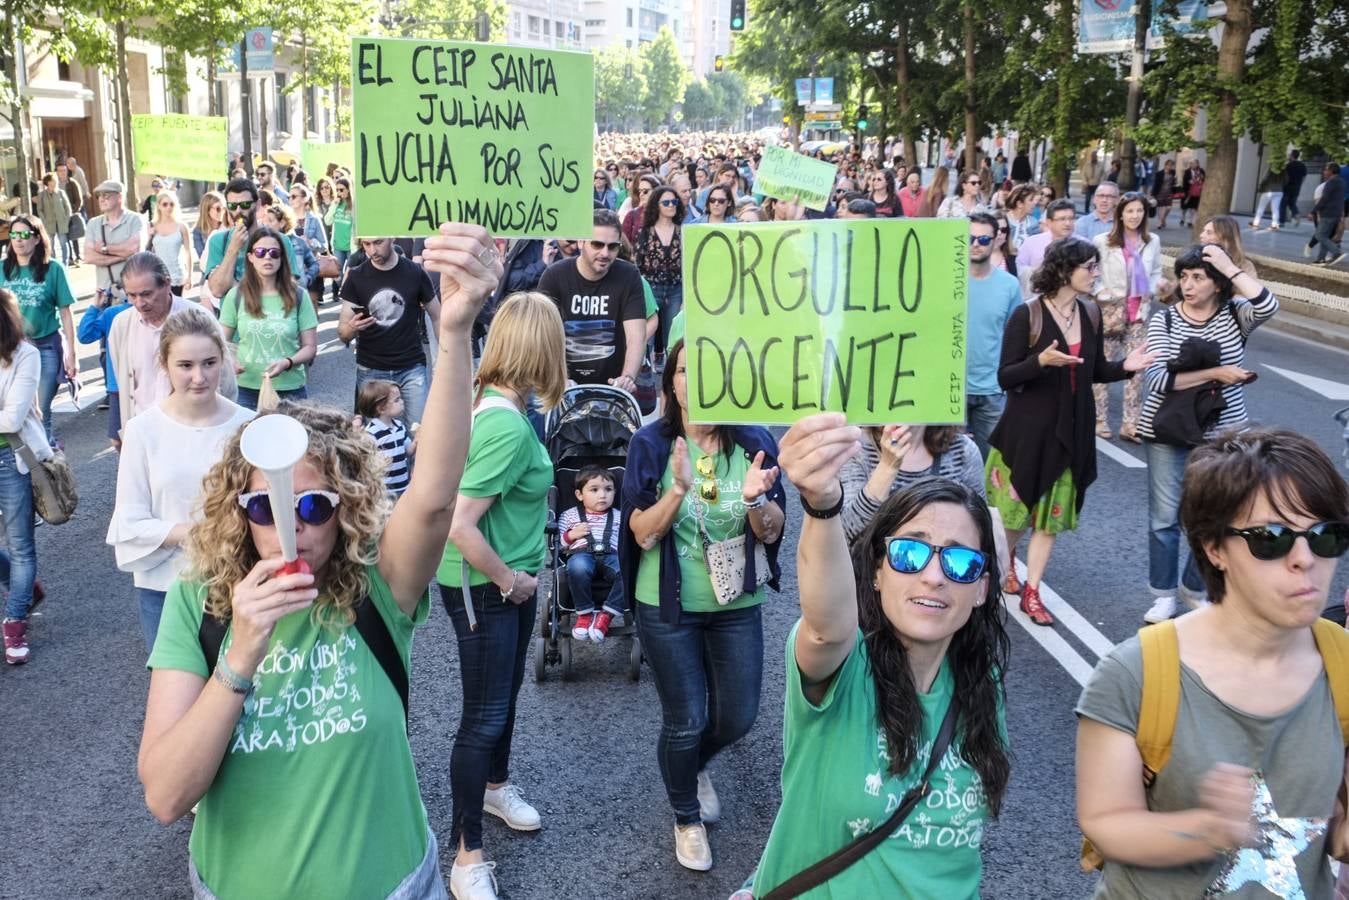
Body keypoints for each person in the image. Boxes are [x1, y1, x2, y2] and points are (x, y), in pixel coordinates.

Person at [138, 221, 502, 900]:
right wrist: (240, 655)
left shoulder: (374, 585)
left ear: (348, 510)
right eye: (263, 510)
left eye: (313, 509)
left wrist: (453, 336)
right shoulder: (202, 599)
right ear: (235, 513)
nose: (289, 529)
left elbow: (430, 500)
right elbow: (165, 794)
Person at [1076, 428, 1349, 899]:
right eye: (1272, 538)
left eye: (1325, 536)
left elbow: (1339, 831)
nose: (1305, 560)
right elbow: (1105, 821)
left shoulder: (1341, 662)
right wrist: (1208, 829)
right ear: (1213, 548)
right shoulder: (1138, 672)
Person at [754, 420, 1010, 897]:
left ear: (981, 589)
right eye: (910, 554)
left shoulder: (981, 681)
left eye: (959, 563)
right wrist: (822, 507)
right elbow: (826, 625)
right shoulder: (845, 668)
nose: (934, 576)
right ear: (875, 572)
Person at [621, 339, 787, 872]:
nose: (698, 382)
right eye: (687, 371)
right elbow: (642, 535)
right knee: (686, 717)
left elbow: (774, 530)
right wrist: (676, 492)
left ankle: (692, 766)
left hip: (736, 601)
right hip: (667, 605)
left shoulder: (755, 442)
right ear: (671, 383)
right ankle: (686, 817)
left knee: (738, 717)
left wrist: (758, 499)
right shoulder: (651, 445)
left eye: (710, 371)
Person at [437, 291, 566, 900]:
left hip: (499, 584)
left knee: (502, 701)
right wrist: (511, 581)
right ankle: (467, 858)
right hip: (485, 586)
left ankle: (494, 787)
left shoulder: (496, 406)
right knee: (483, 717)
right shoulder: (507, 424)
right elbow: (460, 523)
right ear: (543, 349)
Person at [987, 239, 1156, 627]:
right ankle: (1002, 569)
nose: (1095, 273)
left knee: (1051, 520)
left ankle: (1033, 591)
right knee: (1013, 520)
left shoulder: (1091, 314)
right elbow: (1006, 376)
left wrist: (1126, 366)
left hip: (1072, 434)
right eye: (1089, 267)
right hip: (1027, 435)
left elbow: (1094, 370)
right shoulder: (1025, 315)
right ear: (1065, 270)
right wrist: (1040, 362)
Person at [1135, 244, 1279, 624]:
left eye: (1198, 277)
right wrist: (1217, 374)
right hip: (1167, 428)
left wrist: (1230, 267)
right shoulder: (1164, 320)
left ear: (1217, 283)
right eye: (1183, 277)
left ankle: (1194, 586)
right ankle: (1163, 595)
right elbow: (1158, 378)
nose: (1188, 284)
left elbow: (1269, 305)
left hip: (1224, 430)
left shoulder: (1236, 315)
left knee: (1220, 513)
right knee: (1165, 518)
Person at [107, 306, 254, 652]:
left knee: (243, 695)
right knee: (174, 701)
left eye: (209, 363)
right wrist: (200, 533)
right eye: (185, 366)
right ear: (165, 365)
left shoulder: (249, 425)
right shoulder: (142, 431)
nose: (199, 377)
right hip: (164, 589)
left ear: (223, 360)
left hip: (236, 583)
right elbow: (128, 520)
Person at [110, 252, 237, 432]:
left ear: (167, 284)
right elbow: (123, 382)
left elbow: (226, 384)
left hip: (193, 431)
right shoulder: (121, 325)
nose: (139, 303)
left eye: (146, 294)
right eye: (131, 295)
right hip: (144, 432)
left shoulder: (201, 318)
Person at [537, 209, 646, 392]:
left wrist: (627, 377)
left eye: (613, 247)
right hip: (563, 385)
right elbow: (540, 335)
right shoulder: (554, 275)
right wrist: (557, 378)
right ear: (581, 242)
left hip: (612, 387)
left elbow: (637, 336)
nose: (605, 253)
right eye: (597, 244)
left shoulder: (629, 275)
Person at [338, 236, 440, 427]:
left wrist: (446, 353)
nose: (372, 250)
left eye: (378, 242)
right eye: (366, 244)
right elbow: (343, 332)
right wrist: (352, 327)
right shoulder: (356, 276)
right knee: (376, 441)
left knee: (418, 434)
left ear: (392, 238)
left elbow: (437, 315)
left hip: (411, 368)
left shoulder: (415, 272)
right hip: (371, 370)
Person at [0, 287, 49, 666]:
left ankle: (15, 621)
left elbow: (12, 418)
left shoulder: (26, 355)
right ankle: (24, 591)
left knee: (21, 547)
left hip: (11, 459)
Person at [1092, 192, 1166, 442]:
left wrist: (1154, 288)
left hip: (1139, 313)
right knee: (1103, 367)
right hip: (1111, 312)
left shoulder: (1152, 241)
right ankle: (1099, 419)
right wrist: (1101, 292)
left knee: (1137, 370)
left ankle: (1130, 423)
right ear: (1120, 214)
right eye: (1130, 211)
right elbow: (1092, 273)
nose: (1135, 216)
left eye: (1139, 211)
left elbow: (1156, 271)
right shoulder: (1102, 241)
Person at [218, 227, 318, 410]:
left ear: (282, 258)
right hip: (246, 389)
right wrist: (229, 361)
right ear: (250, 257)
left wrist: (288, 363)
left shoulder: (299, 296)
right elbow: (220, 341)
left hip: (291, 389)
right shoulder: (236, 295)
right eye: (260, 252)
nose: (267, 258)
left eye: (274, 253)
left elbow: (310, 348)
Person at [0, 214, 78, 448]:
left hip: (46, 346)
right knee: (16, 407)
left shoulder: (53, 269)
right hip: (9, 349)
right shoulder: (3, 269)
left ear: (37, 238)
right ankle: (29, 458)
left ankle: (45, 465)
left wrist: (72, 353)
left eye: (25, 235)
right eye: (14, 234)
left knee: (40, 409)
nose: (19, 240)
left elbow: (65, 312)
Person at [840, 422, 986, 543]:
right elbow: (847, 533)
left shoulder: (963, 450)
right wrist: (887, 467)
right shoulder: (856, 448)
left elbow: (979, 528)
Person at [965, 213, 1023, 457]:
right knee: (945, 467)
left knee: (991, 465)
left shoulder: (1009, 285)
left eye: (983, 239)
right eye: (969, 238)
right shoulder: (945, 279)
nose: (975, 244)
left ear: (996, 239)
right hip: (949, 389)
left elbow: (1014, 336)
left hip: (991, 388)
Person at [557, 465, 624, 642]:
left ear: (615, 492)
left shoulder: (619, 516)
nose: (602, 495)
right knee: (577, 567)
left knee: (627, 572)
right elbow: (558, 544)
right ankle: (585, 613)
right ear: (579, 495)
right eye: (594, 490)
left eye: (608, 489)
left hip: (612, 555)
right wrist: (571, 535)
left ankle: (607, 614)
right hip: (581, 554)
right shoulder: (570, 515)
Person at [204, 178, 301, 300]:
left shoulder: (280, 241)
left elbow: (290, 289)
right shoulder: (218, 240)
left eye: (244, 205)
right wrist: (233, 249)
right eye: (232, 206)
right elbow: (217, 290)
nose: (238, 211)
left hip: (272, 316)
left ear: (258, 205)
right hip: (235, 317)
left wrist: (235, 285)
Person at [78, 286, 132, 449]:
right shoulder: (112, 313)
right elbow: (85, 335)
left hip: (145, 383)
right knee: (117, 440)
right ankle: (129, 471)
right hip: (117, 386)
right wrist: (95, 306)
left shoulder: (154, 311)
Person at [634, 186, 685, 353]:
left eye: (674, 201)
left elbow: (688, 263)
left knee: (673, 335)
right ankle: (644, 370)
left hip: (676, 289)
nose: (671, 205)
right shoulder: (645, 231)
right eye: (666, 202)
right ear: (657, 205)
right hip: (650, 289)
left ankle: (671, 374)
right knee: (645, 334)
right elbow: (637, 264)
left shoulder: (683, 231)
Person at [84, 180, 146, 300]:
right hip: (104, 294)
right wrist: (123, 256)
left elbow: (134, 249)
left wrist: (103, 249)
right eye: (99, 196)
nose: (101, 199)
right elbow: (89, 257)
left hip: (133, 294)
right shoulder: (93, 223)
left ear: (120, 196)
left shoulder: (135, 220)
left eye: (106, 195)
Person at [357, 379, 415, 498]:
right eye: (397, 400)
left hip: (403, 486)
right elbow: (364, 462)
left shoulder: (399, 426)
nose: (402, 402)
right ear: (381, 408)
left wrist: (418, 440)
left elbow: (408, 450)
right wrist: (378, 462)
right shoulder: (371, 433)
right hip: (384, 491)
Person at [1016, 198, 1079, 300]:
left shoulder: (1084, 245)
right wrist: (1040, 272)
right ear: (1049, 222)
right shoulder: (1031, 242)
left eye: (1071, 218)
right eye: (1062, 219)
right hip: (1038, 299)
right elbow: (1019, 268)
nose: (1068, 223)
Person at [261, 203, 320, 292]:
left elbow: (314, 264)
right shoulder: (262, 243)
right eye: (264, 221)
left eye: (270, 220)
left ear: (282, 223)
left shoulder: (298, 242)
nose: (266, 224)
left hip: (296, 292)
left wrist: (306, 279)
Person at [148, 191, 194, 296]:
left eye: (171, 204)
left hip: (176, 275)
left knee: (176, 308)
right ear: (159, 206)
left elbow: (188, 252)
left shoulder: (181, 226)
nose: (168, 207)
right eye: (165, 204)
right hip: (157, 274)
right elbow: (146, 252)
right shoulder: (151, 226)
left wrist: (189, 276)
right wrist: (149, 236)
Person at [324, 177, 354, 302]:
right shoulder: (336, 204)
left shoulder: (354, 205)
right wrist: (334, 205)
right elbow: (327, 220)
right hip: (338, 245)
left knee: (351, 273)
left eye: (342, 190)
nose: (339, 193)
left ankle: (349, 296)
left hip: (351, 245)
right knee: (337, 273)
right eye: (337, 190)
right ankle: (340, 292)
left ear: (348, 190)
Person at [1311, 162, 1346, 266]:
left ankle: (1336, 252)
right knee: (1325, 236)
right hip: (1336, 213)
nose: (1324, 172)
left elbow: (1324, 199)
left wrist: (1314, 211)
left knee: (1319, 235)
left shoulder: (1330, 183)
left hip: (1328, 213)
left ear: (1331, 171)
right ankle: (1320, 259)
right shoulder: (1341, 182)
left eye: (1326, 169)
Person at [36, 173, 73, 266]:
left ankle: (65, 264)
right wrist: (44, 221)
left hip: (61, 222)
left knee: (63, 243)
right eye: (52, 180)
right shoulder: (42, 195)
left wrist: (66, 220)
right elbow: (39, 210)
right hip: (48, 223)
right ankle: (54, 264)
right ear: (47, 182)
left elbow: (68, 208)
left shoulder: (61, 193)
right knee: (50, 245)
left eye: (55, 180)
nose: (54, 182)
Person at [56, 164, 84, 267]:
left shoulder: (72, 183)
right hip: (60, 216)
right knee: (65, 237)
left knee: (74, 236)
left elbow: (79, 199)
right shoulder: (55, 184)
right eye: (60, 171)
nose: (62, 173)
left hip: (71, 214)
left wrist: (74, 211)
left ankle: (78, 256)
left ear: (67, 171)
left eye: (64, 170)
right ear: (57, 172)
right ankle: (70, 258)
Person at [1250, 165, 1284, 231]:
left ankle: (1255, 224)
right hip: (1279, 191)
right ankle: (1274, 225)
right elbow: (1286, 180)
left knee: (1261, 207)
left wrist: (1260, 186)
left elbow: (1265, 178)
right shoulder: (1283, 168)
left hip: (1269, 190)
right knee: (1275, 209)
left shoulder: (1271, 167)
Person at [1280, 148, 1308, 227]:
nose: (1288, 155)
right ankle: (1296, 214)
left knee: (1283, 204)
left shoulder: (1288, 165)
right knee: (1292, 203)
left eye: (1289, 154)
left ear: (1292, 155)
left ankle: (1281, 221)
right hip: (1297, 187)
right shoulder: (1302, 165)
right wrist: (1299, 184)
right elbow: (1304, 178)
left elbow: (1285, 176)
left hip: (1288, 187)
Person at [1152, 160, 1178, 230]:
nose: (1170, 167)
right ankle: (1160, 222)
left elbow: (1174, 182)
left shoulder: (1173, 172)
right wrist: (1153, 194)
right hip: (1160, 192)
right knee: (1161, 208)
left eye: (1171, 165)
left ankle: (1163, 219)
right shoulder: (1159, 173)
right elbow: (1155, 184)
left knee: (1169, 208)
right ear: (1165, 165)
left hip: (1169, 192)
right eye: (1169, 165)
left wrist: (1175, 180)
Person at [1180, 159, 1205, 228]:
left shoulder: (1201, 171)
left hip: (1197, 192)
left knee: (1193, 207)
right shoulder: (1187, 171)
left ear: (1197, 164)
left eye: (1194, 163)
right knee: (1185, 207)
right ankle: (1182, 217)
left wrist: (1200, 178)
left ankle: (1190, 221)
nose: (1192, 165)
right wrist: (1189, 181)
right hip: (1187, 191)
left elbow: (1203, 179)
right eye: (1191, 163)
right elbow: (1185, 180)